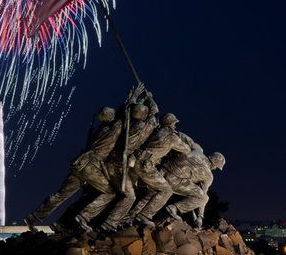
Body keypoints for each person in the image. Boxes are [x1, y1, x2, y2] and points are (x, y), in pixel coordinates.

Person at [24, 87, 143, 233]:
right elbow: (124, 115)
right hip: (90, 166)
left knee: (61, 194)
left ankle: (33, 217)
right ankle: (83, 217)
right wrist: (133, 98)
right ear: (111, 117)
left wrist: (131, 98)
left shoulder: (99, 129)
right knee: (110, 192)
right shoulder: (114, 129)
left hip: (79, 163)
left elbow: (119, 115)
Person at [100, 90, 159, 232]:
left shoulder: (125, 125)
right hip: (121, 164)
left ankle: (114, 220)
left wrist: (133, 98)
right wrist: (149, 98)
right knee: (130, 196)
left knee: (118, 192)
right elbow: (155, 110)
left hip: (111, 161)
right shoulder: (147, 126)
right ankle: (109, 223)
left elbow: (125, 111)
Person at [131, 113, 192, 228]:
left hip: (135, 161)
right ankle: (144, 216)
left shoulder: (155, 131)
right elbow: (186, 150)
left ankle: (130, 217)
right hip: (146, 165)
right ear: (170, 124)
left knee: (151, 191)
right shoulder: (172, 137)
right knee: (166, 190)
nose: (175, 126)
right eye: (174, 123)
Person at [164, 151, 225, 228]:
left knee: (193, 189)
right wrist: (200, 216)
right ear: (214, 164)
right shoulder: (208, 175)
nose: (215, 168)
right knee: (204, 198)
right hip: (175, 180)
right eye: (216, 167)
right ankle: (174, 208)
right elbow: (202, 195)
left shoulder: (198, 153)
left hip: (165, 169)